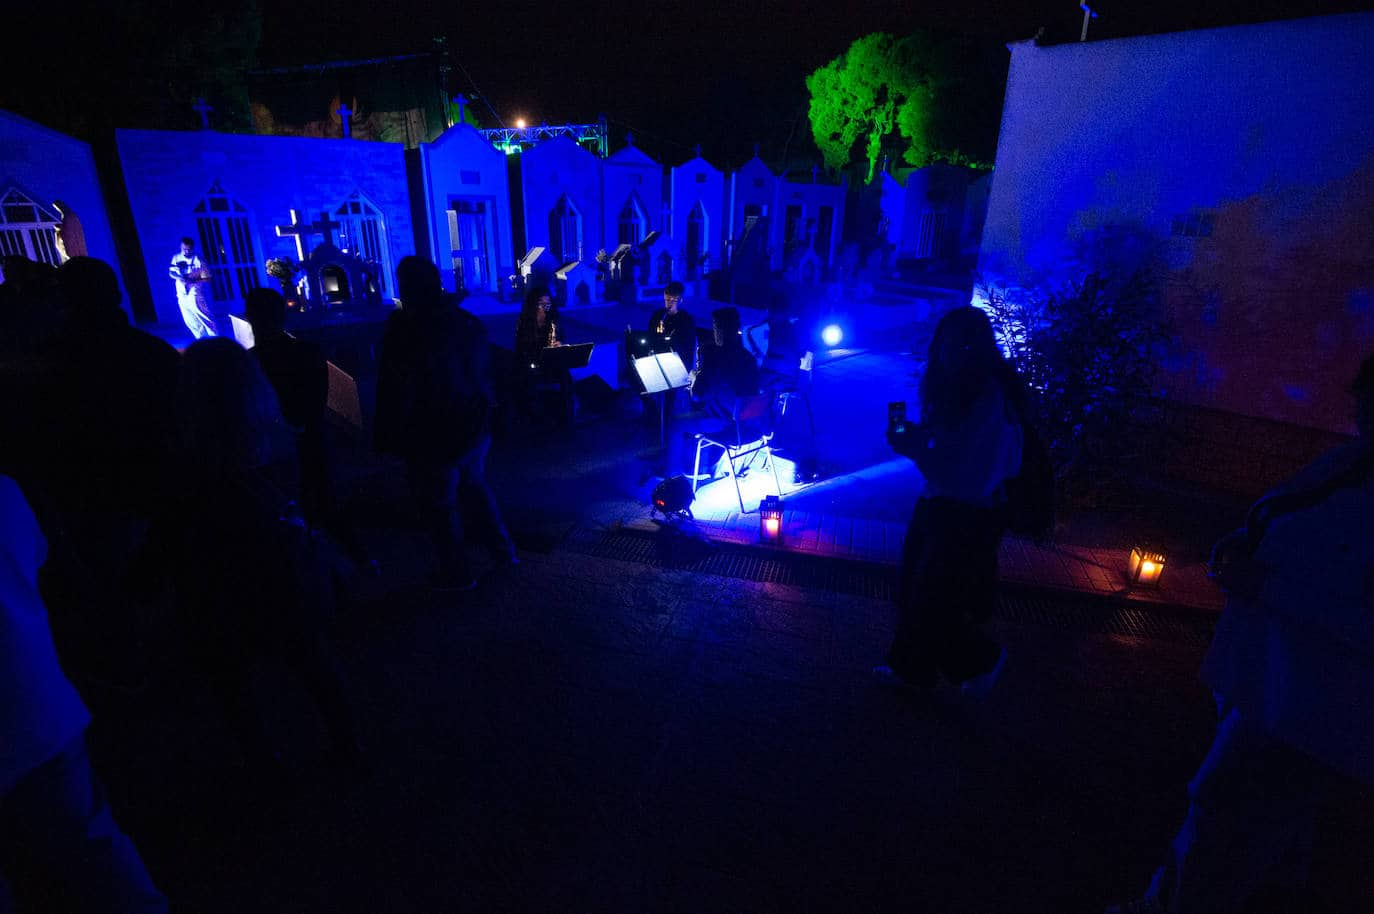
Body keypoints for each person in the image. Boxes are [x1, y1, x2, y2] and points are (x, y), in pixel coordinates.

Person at [1107, 353, 1374, 914]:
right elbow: (1288, 513)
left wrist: (1266, 585)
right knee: (1251, 820)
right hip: (1269, 678)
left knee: (1223, 810)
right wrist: (1243, 538)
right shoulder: (1356, 460)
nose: (1358, 409)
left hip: (1307, 706)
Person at [151, 338, 361, 770]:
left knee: (229, 673)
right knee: (312, 655)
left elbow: (174, 519)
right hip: (283, 564)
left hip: (215, 576)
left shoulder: (183, 452)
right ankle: (348, 745)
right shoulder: (276, 435)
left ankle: (264, 759)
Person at [0, 474, 168, 913]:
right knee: (93, 844)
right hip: (38, 707)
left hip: (32, 710)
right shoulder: (6, 490)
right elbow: (38, 558)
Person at [873, 306, 1024, 693]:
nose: (950, 353)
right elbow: (952, 449)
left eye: (961, 345)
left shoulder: (987, 398)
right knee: (915, 587)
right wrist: (920, 437)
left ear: (978, 348)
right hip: (944, 503)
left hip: (965, 512)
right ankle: (911, 669)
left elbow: (968, 473)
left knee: (932, 597)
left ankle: (981, 660)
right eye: (947, 344)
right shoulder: (965, 391)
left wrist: (916, 449)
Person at [376, 257, 516, 588]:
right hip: (473, 425)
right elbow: (485, 374)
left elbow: (396, 385)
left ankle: (457, 573)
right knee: (475, 487)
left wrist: (389, 434)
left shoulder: (406, 328)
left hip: (432, 430)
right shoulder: (465, 321)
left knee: (440, 505)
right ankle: (503, 551)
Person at [667, 307, 762, 477]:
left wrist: (696, 376)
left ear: (719, 330)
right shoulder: (749, 358)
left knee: (675, 423)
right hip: (750, 425)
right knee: (708, 410)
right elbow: (752, 390)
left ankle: (671, 473)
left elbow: (697, 396)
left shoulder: (714, 357)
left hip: (725, 425)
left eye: (715, 327)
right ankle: (706, 465)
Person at [512, 285, 572, 425]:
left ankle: (566, 415)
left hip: (551, 360)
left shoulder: (553, 319)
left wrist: (559, 343)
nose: (545, 308)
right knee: (528, 381)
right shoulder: (524, 321)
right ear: (533, 304)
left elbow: (561, 337)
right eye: (541, 304)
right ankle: (533, 418)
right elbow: (521, 346)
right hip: (531, 361)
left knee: (565, 376)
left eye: (548, 304)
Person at [168, 236, 216, 339]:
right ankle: (201, 339)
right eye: (183, 249)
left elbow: (207, 278)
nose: (185, 251)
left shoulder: (199, 259)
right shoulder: (176, 257)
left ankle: (215, 338)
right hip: (181, 291)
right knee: (189, 319)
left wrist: (193, 280)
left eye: (188, 249)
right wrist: (179, 277)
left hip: (194, 290)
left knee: (203, 315)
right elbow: (171, 272)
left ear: (192, 248)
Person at [647, 280, 696, 371]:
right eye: (667, 300)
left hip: (678, 363)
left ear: (680, 300)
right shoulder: (658, 316)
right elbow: (650, 336)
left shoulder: (686, 319)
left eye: (673, 300)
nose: (669, 304)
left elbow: (688, 346)